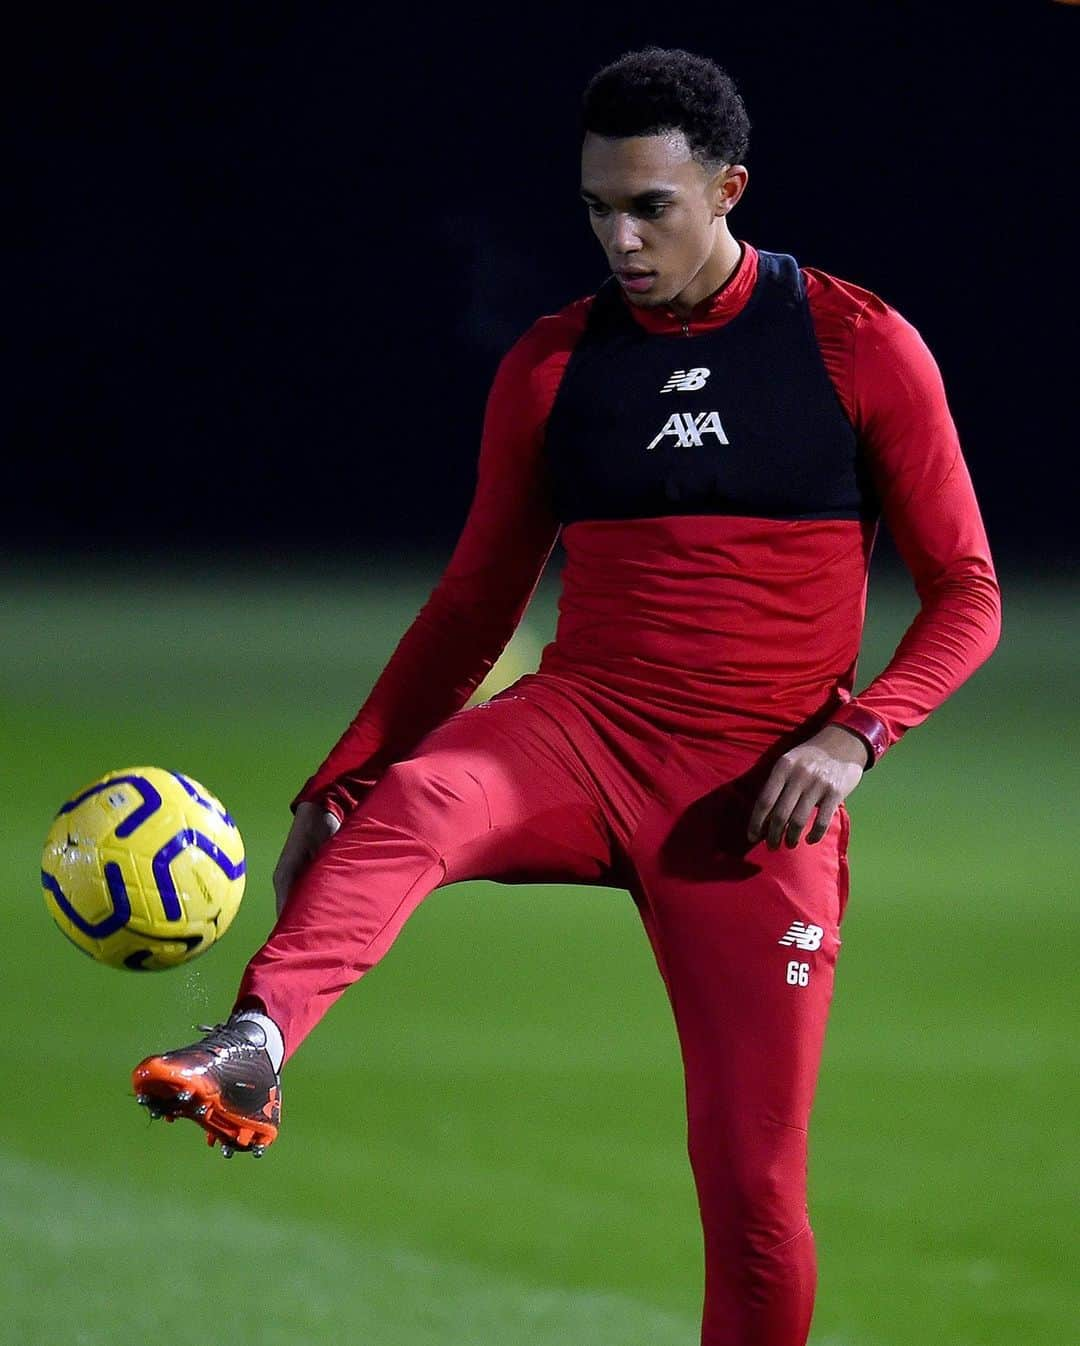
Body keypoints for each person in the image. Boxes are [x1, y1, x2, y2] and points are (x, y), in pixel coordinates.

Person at [133, 46, 1001, 1346]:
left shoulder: (859, 347)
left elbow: (970, 593)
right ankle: (256, 1040)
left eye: (650, 206)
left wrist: (855, 733)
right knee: (426, 795)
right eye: (598, 208)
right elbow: (473, 606)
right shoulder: (552, 367)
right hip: (582, 732)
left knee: (755, 1193)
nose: (621, 238)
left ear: (729, 190)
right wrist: (343, 780)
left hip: (753, 799)